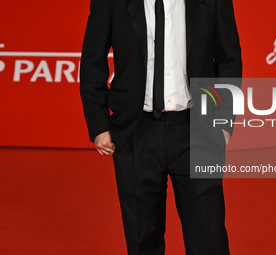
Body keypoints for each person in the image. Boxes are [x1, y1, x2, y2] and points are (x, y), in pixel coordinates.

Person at [80, 0, 242, 254]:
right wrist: (99, 124)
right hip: (136, 132)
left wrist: (222, 121)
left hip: (197, 128)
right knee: (142, 236)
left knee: (209, 235)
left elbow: (229, 59)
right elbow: (92, 60)